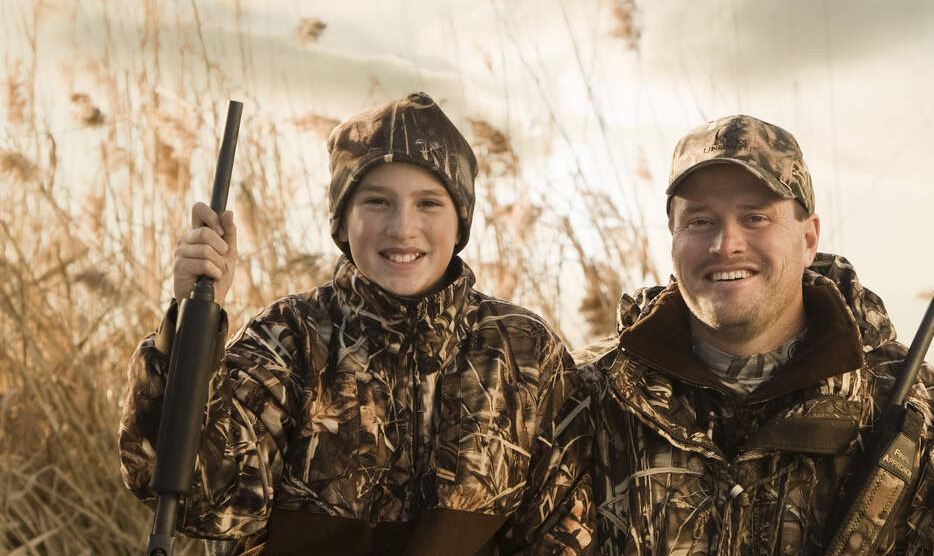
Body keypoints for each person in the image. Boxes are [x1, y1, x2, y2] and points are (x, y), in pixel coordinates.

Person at [119, 93, 593, 555]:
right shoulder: (286, 339)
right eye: (377, 202)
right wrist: (188, 324)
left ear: (460, 221)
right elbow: (206, 505)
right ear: (342, 221)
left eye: (429, 203)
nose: (402, 227)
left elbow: (562, 530)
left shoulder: (524, 352)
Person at [580, 114, 934, 554]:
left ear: (809, 240)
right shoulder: (587, 399)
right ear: (673, 238)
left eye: (755, 218)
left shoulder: (927, 421)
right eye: (699, 221)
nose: (726, 244)